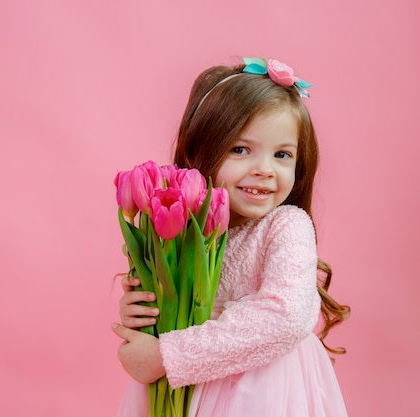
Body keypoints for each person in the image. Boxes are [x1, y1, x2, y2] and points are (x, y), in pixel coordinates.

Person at [111, 56, 351, 416]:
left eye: (282, 154)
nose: (264, 170)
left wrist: (166, 355)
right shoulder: (189, 234)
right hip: (192, 389)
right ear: (200, 150)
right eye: (240, 149)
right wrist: (145, 313)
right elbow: (178, 310)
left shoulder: (286, 226)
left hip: (264, 395)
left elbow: (287, 317)